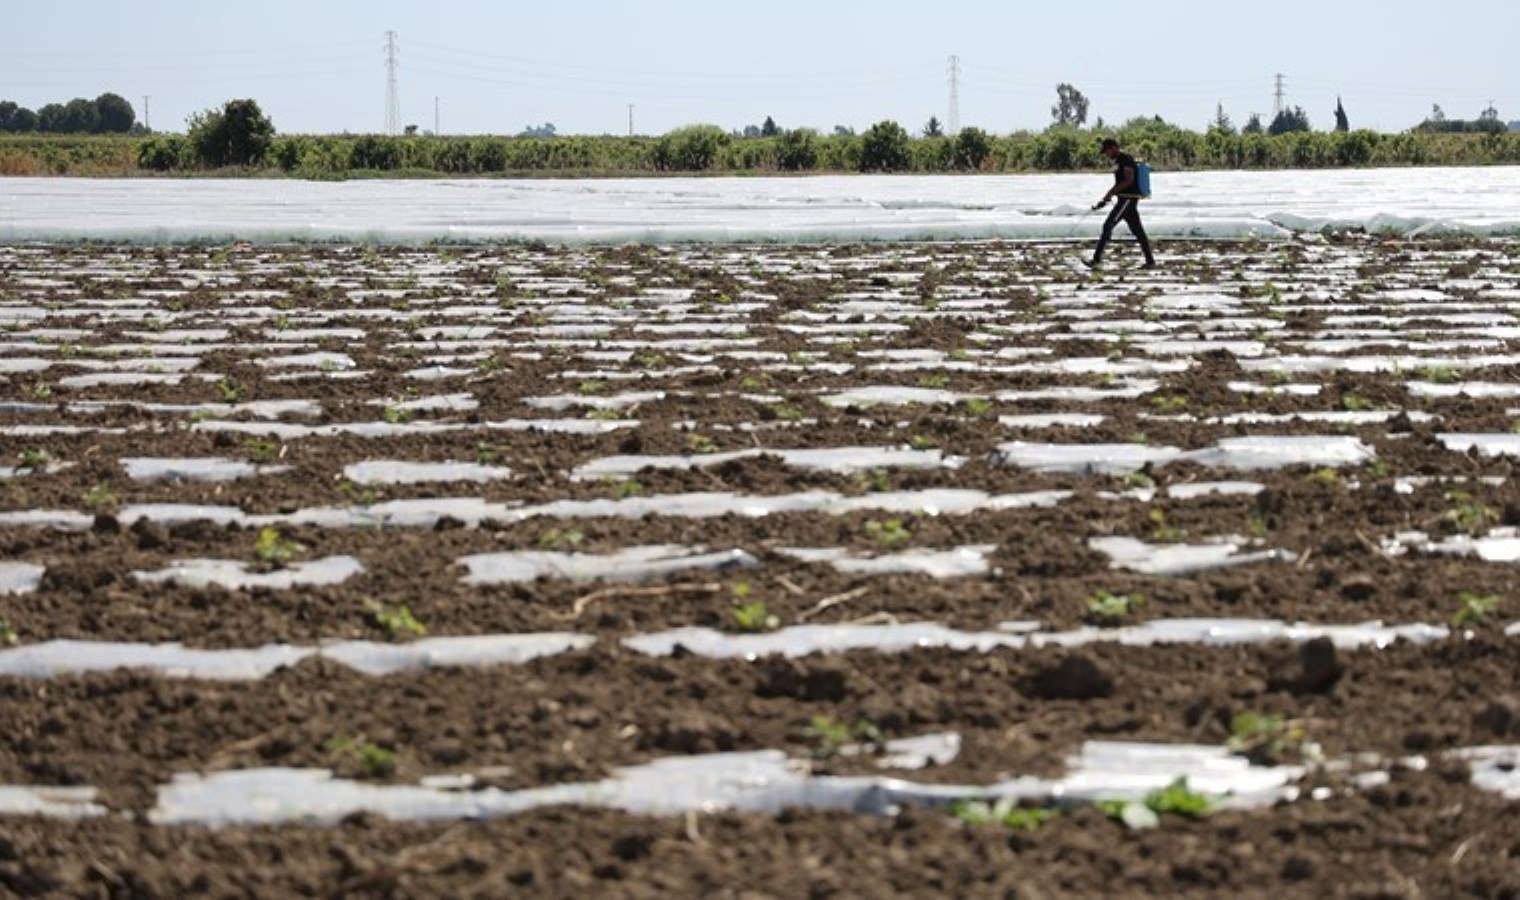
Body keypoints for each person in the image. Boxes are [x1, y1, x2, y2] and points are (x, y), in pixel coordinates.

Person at [1088, 138, 1156, 269]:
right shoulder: (1119, 161)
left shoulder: (1125, 159)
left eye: (1107, 151)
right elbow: (1120, 182)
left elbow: (1128, 181)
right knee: (1138, 232)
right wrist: (1107, 198)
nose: (1106, 155)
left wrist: (1111, 192)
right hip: (1124, 199)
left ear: (1114, 148)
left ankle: (1096, 260)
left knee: (1108, 225)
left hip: (1127, 199)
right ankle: (1150, 262)